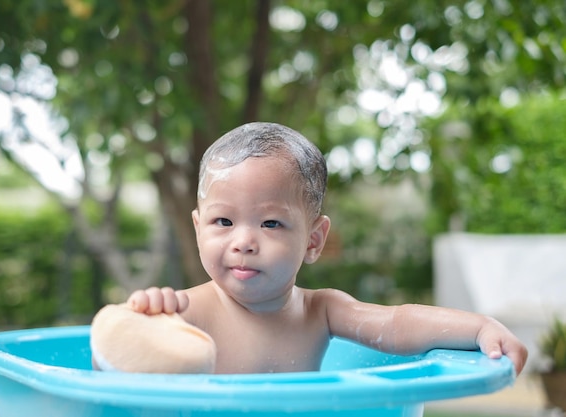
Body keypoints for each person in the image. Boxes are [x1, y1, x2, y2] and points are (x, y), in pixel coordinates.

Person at [123, 122, 527, 375]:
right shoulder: (187, 313)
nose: (243, 242)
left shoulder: (322, 312)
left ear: (314, 240)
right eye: (223, 222)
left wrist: (479, 327)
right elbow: (119, 363)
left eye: (271, 223)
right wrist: (144, 319)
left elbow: (398, 324)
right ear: (198, 229)